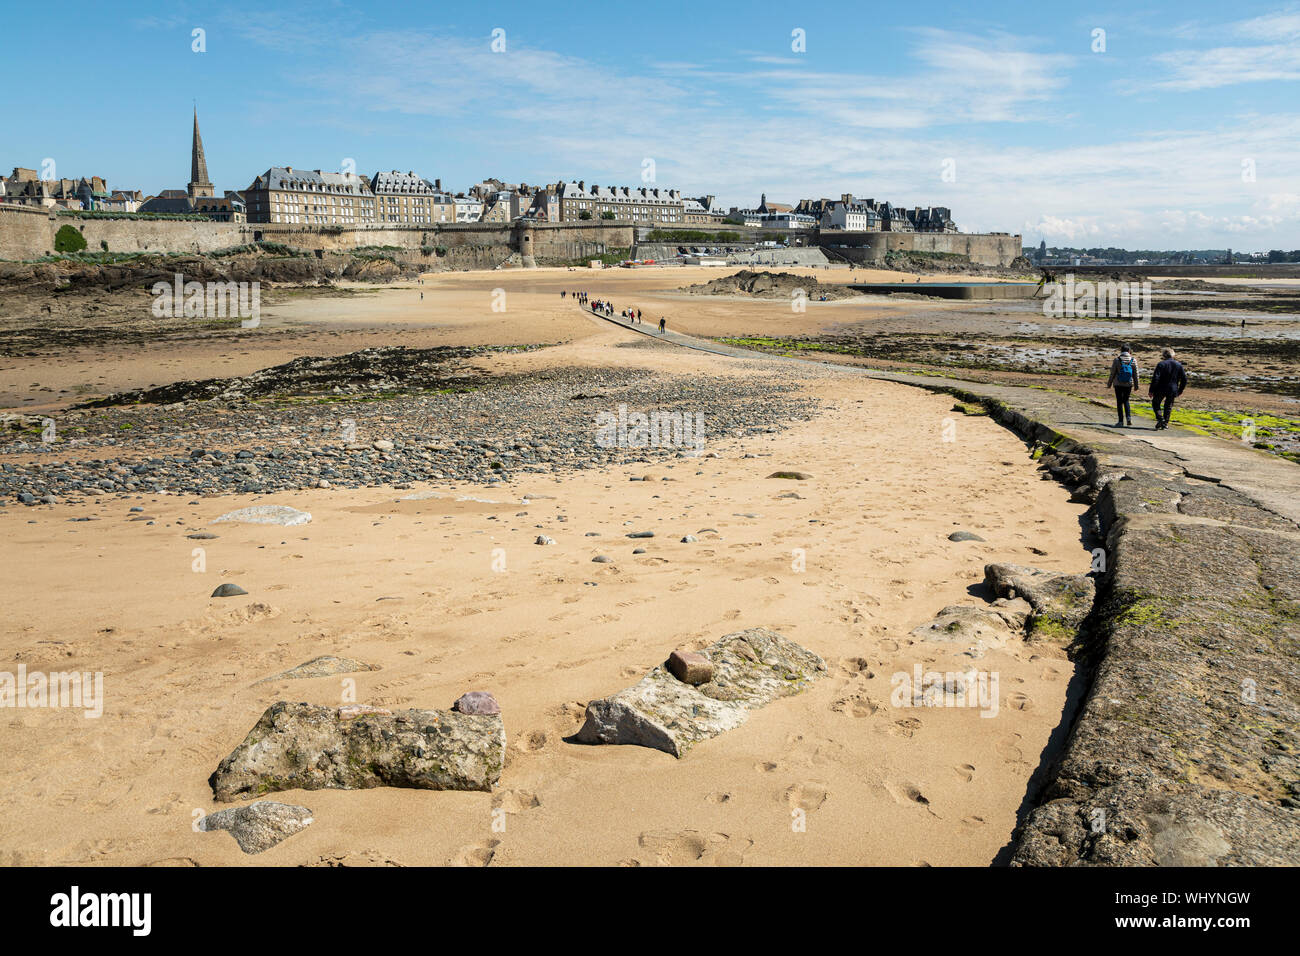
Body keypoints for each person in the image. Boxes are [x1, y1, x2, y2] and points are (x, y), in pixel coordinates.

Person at [1148, 347, 1187, 430]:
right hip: (1172, 389)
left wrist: (1151, 390)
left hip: (1161, 388)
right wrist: (1180, 390)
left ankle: (1160, 419)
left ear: (1164, 355)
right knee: (1168, 406)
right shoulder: (1178, 365)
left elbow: (1155, 378)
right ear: (1173, 355)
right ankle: (1165, 422)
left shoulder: (1161, 364)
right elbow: (1184, 379)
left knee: (1155, 403)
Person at [1105, 344, 1139, 427]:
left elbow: (1112, 373)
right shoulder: (1133, 360)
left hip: (1118, 383)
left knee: (1119, 402)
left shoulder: (1117, 360)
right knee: (1126, 400)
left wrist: (1109, 384)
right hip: (1129, 384)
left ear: (1121, 351)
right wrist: (1136, 385)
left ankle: (1120, 421)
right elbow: (1136, 374)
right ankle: (1128, 418)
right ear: (1129, 351)